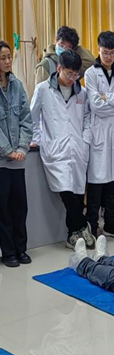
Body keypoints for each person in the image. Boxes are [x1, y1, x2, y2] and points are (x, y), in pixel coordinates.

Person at [30, 50, 96, 250]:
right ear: (59, 68)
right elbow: (33, 117)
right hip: (55, 149)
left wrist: (85, 139)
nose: (72, 78)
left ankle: (72, 235)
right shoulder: (43, 89)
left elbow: (88, 118)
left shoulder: (81, 92)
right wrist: (38, 139)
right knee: (66, 191)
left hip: (77, 148)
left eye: (76, 75)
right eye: (69, 74)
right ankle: (83, 225)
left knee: (77, 193)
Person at [84, 31, 114, 239]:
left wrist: (108, 97)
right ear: (98, 49)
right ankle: (92, 225)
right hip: (100, 134)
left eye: (112, 53)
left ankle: (111, 225)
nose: (109, 57)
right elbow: (96, 105)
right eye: (105, 52)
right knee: (96, 184)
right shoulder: (90, 73)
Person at [0, 40, 33, 267]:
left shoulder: (17, 86)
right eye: (2, 58)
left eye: (9, 57)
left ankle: (21, 248)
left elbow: (26, 119)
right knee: (3, 210)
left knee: (20, 207)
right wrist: (8, 151)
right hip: (2, 161)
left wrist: (21, 148)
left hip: (17, 160)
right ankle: (9, 252)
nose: (7, 61)